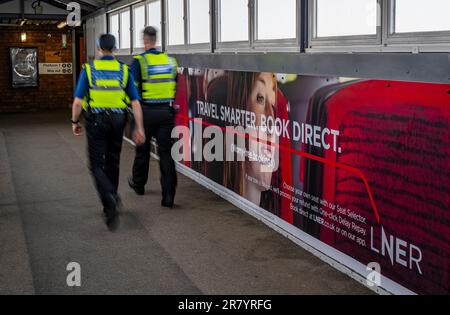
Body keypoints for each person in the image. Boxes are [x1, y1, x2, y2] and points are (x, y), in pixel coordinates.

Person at [71, 34, 145, 230]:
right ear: (115, 48)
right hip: (118, 120)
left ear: (98, 48)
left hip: (96, 121)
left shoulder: (89, 69)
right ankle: (110, 199)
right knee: (113, 159)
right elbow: (135, 102)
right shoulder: (124, 70)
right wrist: (139, 128)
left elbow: (78, 102)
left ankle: (109, 197)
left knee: (96, 164)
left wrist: (74, 121)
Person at [128, 26, 178, 208]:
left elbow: (132, 90)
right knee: (166, 154)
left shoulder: (139, 62)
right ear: (155, 40)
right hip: (166, 113)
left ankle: (139, 184)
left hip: (146, 112)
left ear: (145, 41)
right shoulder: (171, 61)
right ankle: (169, 196)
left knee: (142, 150)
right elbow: (174, 85)